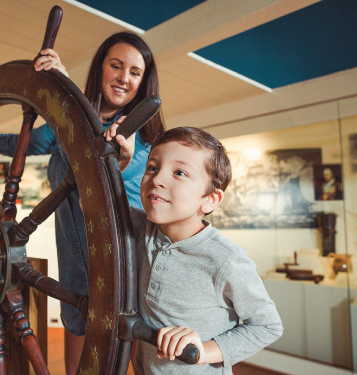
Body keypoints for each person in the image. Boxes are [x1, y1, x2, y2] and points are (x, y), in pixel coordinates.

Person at [0, 32, 165, 374]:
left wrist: (124, 160)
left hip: (125, 272)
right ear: (100, 69)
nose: (123, 78)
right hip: (74, 272)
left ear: (143, 82)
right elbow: (21, 141)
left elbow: (138, 183)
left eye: (135, 72)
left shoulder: (143, 142)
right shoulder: (62, 129)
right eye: (116, 66)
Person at [114, 126, 283, 374]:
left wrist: (203, 350)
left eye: (179, 172)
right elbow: (98, 204)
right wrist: (120, 162)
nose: (157, 179)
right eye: (152, 167)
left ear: (210, 199)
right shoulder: (140, 228)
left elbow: (268, 326)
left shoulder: (226, 259)